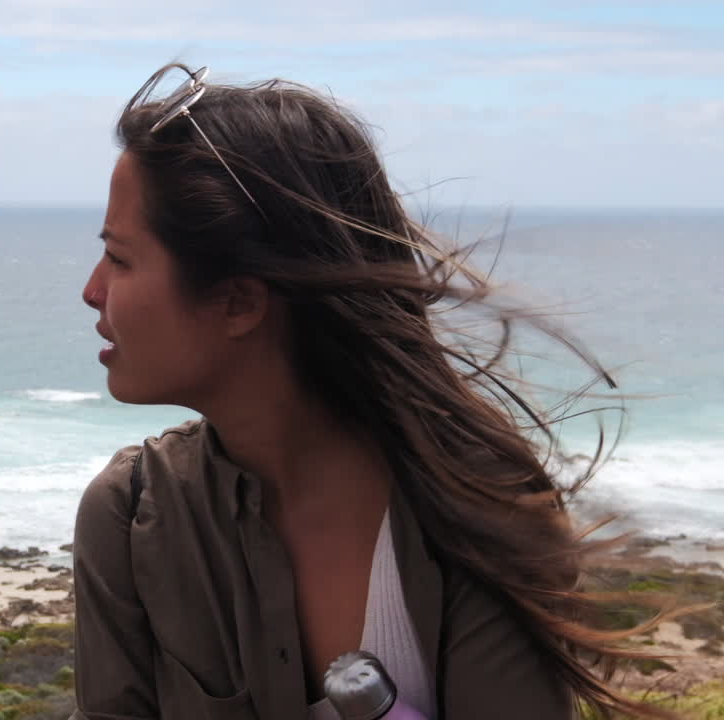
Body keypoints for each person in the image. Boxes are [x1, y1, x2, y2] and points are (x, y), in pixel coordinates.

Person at [71, 63, 672, 720]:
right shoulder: (130, 516)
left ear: (239, 300)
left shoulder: (472, 504)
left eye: (121, 259)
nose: (93, 291)